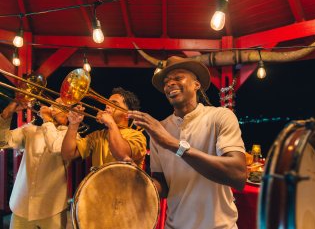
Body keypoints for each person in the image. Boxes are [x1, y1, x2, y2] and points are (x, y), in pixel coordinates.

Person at [128, 56, 247, 229]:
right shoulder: (159, 129)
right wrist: (139, 180)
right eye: (166, 82)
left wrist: (173, 145)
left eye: (177, 78)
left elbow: (238, 175)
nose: (169, 84)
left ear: (196, 84)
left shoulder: (220, 116)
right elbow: (164, 186)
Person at [0, 98, 69, 229]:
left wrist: (47, 120)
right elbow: (2, 141)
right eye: (55, 105)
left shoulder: (71, 136)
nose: (54, 108)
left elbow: (55, 147)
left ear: (68, 114)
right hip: (21, 204)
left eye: (62, 106)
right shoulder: (31, 130)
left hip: (52, 208)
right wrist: (8, 111)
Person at [61, 87, 147, 168]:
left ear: (127, 114)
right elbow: (68, 155)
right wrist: (73, 124)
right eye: (107, 103)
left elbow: (122, 155)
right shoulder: (97, 135)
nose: (107, 105)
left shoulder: (138, 136)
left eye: (114, 103)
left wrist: (110, 123)